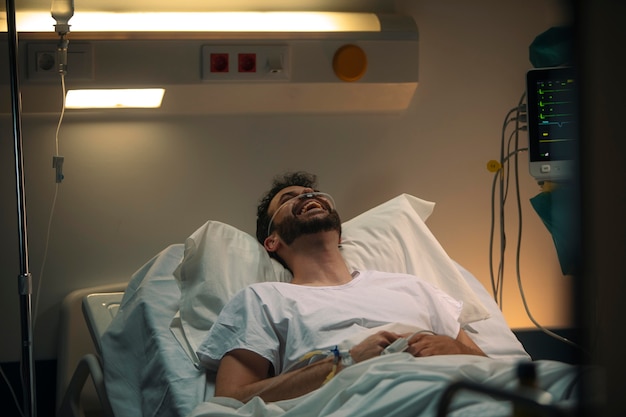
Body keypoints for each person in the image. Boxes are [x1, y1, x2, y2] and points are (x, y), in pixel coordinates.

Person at [196, 171, 486, 403]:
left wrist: (454, 348)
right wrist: (344, 362)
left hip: (459, 396)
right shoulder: (263, 299)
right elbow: (232, 399)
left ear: (341, 237)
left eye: (312, 194)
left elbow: (489, 365)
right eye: (289, 197)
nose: (308, 195)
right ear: (272, 242)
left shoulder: (413, 287)